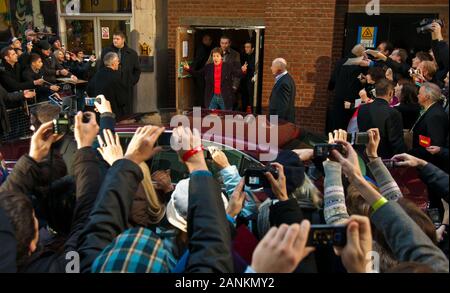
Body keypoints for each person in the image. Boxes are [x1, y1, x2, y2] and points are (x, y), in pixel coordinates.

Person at [358, 79, 407, 158]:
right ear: (390, 93)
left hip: (364, 155)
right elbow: (396, 142)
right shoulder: (393, 113)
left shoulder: (362, 109)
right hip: (384, 158)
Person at [328, 44, 368, 132]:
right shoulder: (361, 65)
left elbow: (333, 80)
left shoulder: (341, 62)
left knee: (337, 124)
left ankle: (335, 143)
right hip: (352, 100)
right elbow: (362, 80)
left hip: (339, 98)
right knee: (348, 125)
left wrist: (331, 87)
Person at [410, 82, 449, 171]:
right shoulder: (430, 110)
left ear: (427, 97)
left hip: (429, 165)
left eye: (419, 93)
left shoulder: (435, 115)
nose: (417, 96)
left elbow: (434, 145)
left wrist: (411, 153)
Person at [100, 32, 141, 115]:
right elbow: (101, 68)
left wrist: (131, 81)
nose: (115, 41)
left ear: (123, 40)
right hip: (110, 86)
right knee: (112, 110)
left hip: (126, 86)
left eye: (117, 39)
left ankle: (125, 127)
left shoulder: (132, 53)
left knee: (126, 111)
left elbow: (137, 70)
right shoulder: (106, 51)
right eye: (114, 39)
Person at [87, 52, 128, 116]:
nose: (118, 63)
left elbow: (89, 91)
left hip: (98, 112)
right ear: (113, 63)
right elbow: (122, 100)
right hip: (112, 114)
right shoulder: (115, 77)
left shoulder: (97, 74)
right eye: (117, 61)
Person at [268, 58, 297, 123]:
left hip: (280, 121)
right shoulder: (284, 79)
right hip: (279, 119)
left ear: (279, 68)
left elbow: (283, 106)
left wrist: (275, 123)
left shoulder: (284, 82)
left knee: (274, 133)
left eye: (273, 66)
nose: (271, 68)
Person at [192, 34, 213, 107]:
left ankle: (200, 112)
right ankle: (199, 113)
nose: (211, 42)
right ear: (206, 40)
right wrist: (193, 71)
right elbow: (198, 60)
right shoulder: (202, 49)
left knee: (201, 93)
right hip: (200, 74)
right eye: (210, 40)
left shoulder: (204, 48)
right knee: (201, 93)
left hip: (200, 73)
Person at [241, 41, 256, 112]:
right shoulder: (243, 56)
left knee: (251, 98)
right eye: (245, 47)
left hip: (251, 80)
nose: (246, 49)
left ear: (252, 49)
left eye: (248, 47)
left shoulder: (255, 57)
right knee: (244, 97)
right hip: (244, 80)